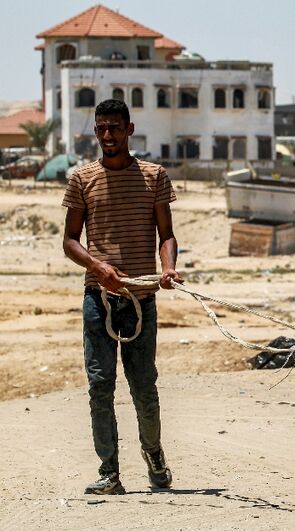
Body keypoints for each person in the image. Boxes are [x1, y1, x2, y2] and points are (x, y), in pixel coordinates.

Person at [62, 99, 182, 495]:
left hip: (141, 301)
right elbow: (70, 241)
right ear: (95, 132)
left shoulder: (154, 176)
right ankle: (109, 472)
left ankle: (154, 456)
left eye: (115, 128)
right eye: (101, 129)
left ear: (130, 130)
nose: (108, 136)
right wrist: (98, 269)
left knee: (143, 385)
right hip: (98, 300)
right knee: (100, 386)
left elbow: (166, 234)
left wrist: (167, 268)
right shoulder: (81, 179)